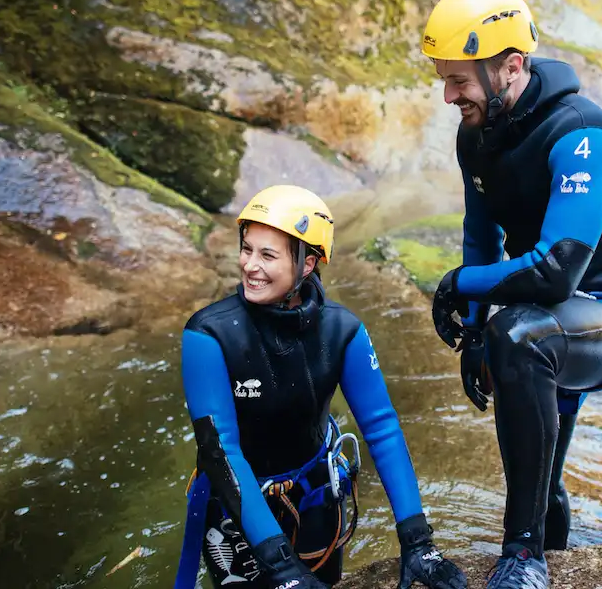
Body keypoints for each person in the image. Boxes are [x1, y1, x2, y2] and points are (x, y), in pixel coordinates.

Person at [420, 0, 602, 588]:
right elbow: (480, 234)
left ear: (511, 66)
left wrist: (461, 286)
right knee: (541, 476)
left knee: (520, 334)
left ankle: (523, 559)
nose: (448, 94)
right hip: (535, 317)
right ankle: (547, 537)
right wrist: (473, 332)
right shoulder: (473, 134)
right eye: (444, 78)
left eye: (459, 80)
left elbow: (559, 267)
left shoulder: (583, 131)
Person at [173, 184, 466, 589]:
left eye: (268, 255)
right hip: (237, 511)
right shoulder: (208, 335)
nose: (249, 266)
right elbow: (219, 449)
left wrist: (418, 541)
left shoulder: (343, 331)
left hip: (316, 500)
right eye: (247, 249)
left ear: (307, 264)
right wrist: (280, 564)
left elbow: (381, 428)